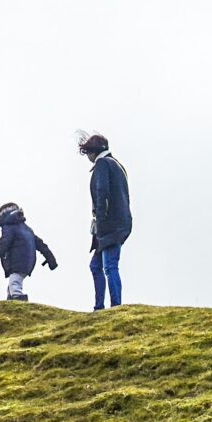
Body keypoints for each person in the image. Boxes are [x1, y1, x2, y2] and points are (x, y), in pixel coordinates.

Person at [80, 132, 131, 309]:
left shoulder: (102, 164)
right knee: (96, 265)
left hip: (109, 225)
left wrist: (100, 221)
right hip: (120, 223)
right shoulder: (117, 165)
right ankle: (100, 306)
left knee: (109, 266)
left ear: (93, 151)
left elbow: (102, 193)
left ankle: (113, 306)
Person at [0, 202, 58, 301]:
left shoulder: (9, 227)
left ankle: (19, 301)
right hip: (28, 262)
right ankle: (11, 303)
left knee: (14, 284)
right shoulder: (26, 229)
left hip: (17, 262)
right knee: (11, 286)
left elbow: (3, 245)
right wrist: (51, 260)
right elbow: (41, 245)